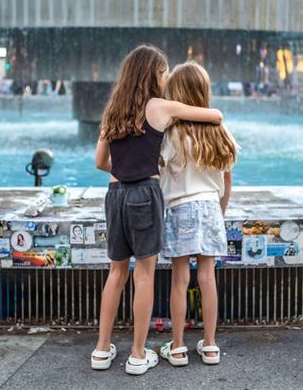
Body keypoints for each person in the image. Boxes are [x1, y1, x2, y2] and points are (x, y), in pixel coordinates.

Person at [91, 45, 223, 376]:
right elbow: (214, 116)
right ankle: (138, 354)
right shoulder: (161, 107)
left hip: (115, 194)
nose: (166, 78)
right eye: (163, 72)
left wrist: (123, 165)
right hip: (144, 194)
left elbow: (100, 163)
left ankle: (101, 350)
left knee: (116, 273)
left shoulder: (112, 111)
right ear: (152, 73)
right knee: (144, 274)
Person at [157, 61, 238, 368]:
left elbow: (159, 171)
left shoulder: (172, 134)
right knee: (207, 277)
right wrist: (220, 211)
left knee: (180, 279)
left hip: (180, 208)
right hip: (211, 208)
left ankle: (177, 347)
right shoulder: (219, 130)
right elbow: (227, 180)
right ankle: (211, 345)